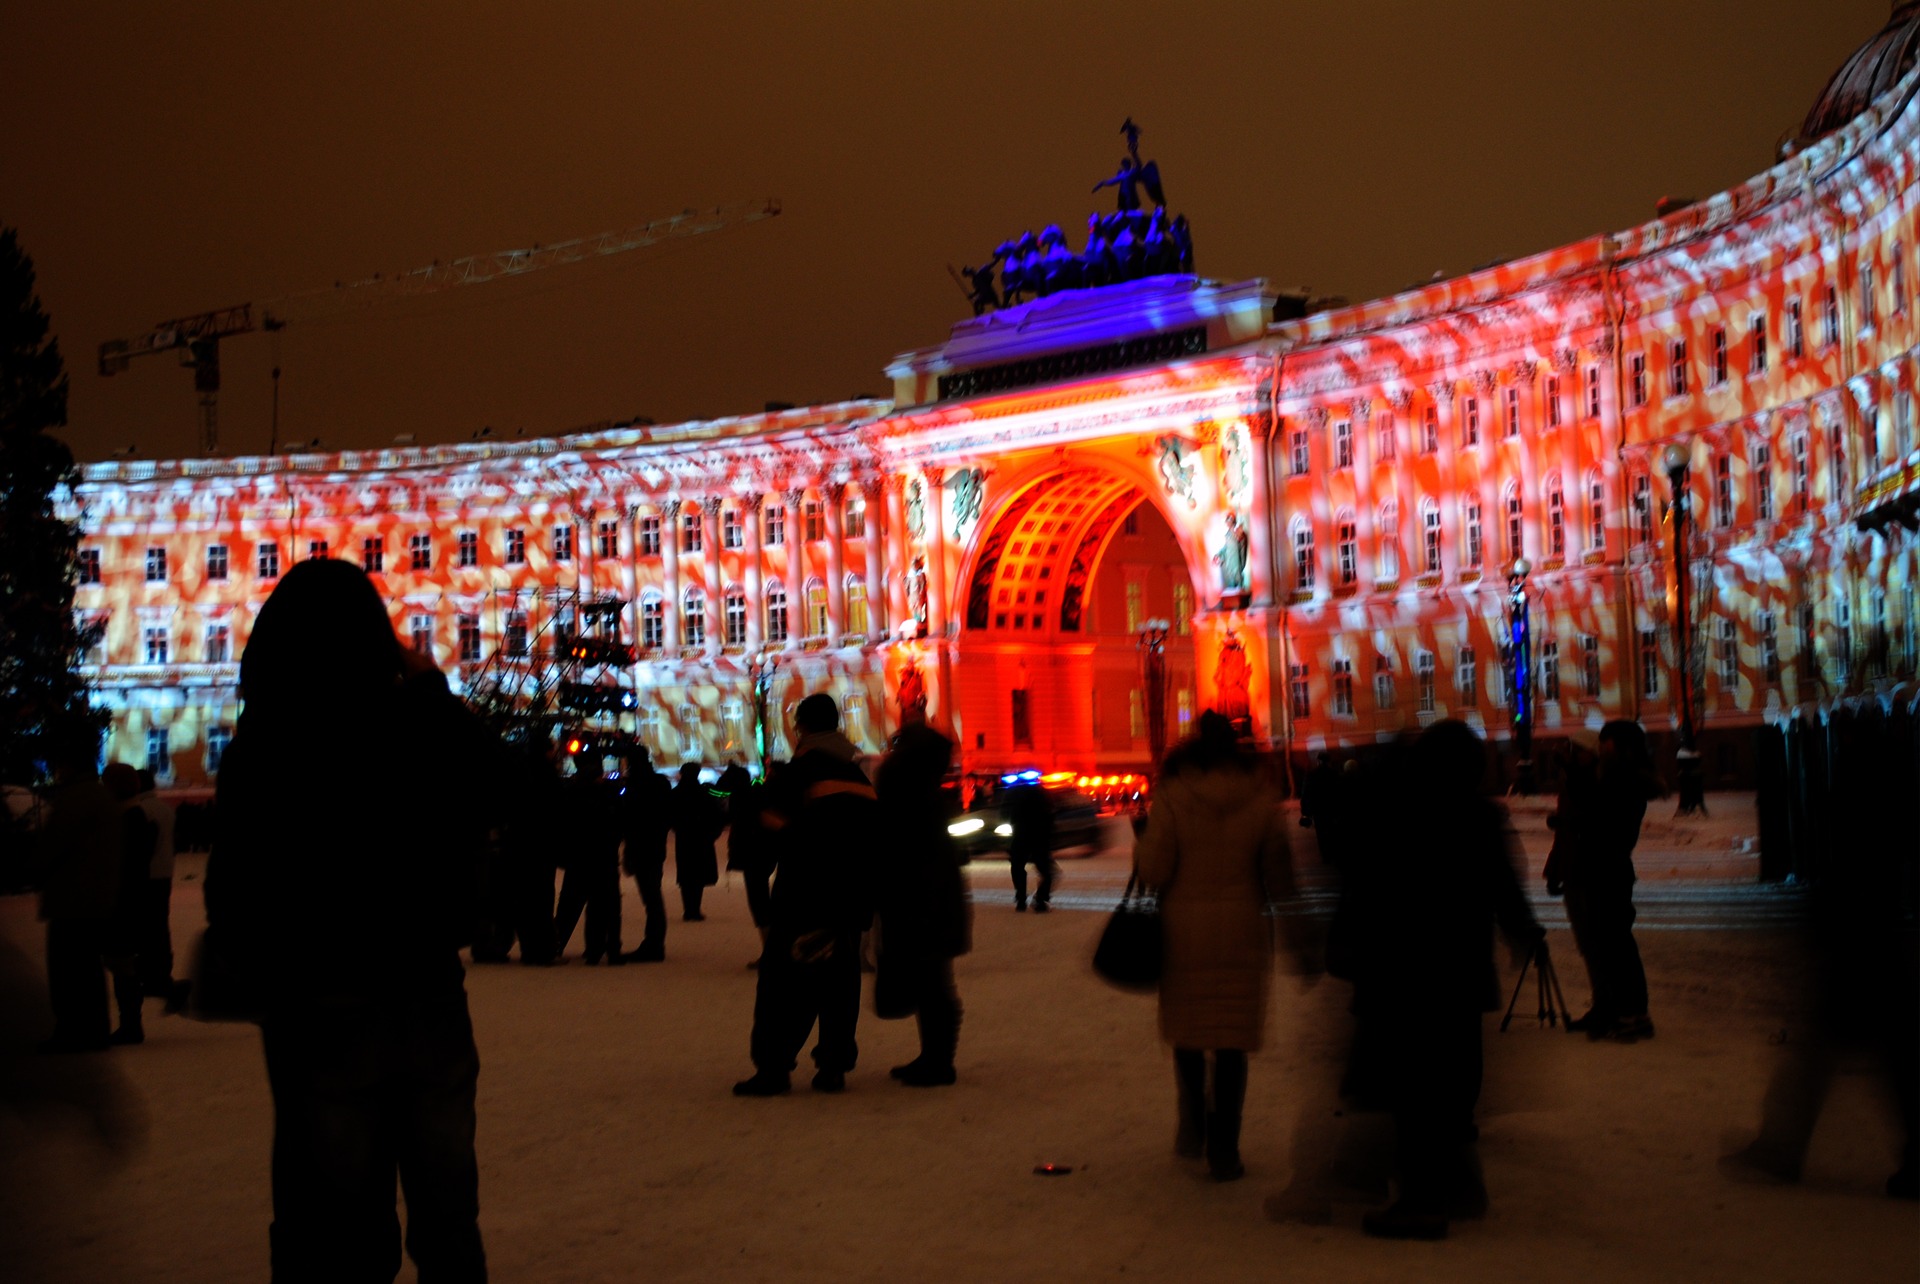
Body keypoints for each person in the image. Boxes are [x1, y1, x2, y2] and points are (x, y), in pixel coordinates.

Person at [205, 557, 494, 1282]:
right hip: (426, 993)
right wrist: (430, 688)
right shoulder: (416, 726)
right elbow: (503, 786)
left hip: (318, 1003)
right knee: (447, 1212)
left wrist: (262, 970)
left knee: (329, 1216)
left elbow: (232, 888)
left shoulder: (264, 743)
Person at [1360, 719, 1542, 1240]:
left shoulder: (1403, 815)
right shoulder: (1480, 817)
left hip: (1411, 977)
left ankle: (1423, 1202)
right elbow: (1505, 889)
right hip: (1462, 976)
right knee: (1455, 1087)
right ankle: (1459, 1187)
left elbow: (1378, 892)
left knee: (1417, 1093)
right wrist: (1523, 932)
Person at [1134, 711, 1305, 1181]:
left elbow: (1153, 868)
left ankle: (1192, 1127)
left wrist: (1142, 840)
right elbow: (1278, 875)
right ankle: (1225, 1149)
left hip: (1183, 933)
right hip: (1242, 933)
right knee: (1231, 1044)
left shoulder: (1174, 795)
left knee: (1190, 1036)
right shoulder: (1259, 796)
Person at [733, 694, 878, 1097]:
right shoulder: (859, 778)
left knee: (782, 986)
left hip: (804, 897)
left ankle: (774, 1067)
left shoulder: (799, 774)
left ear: (803, 728)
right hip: (848, 900)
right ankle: (833, 1067)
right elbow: (873, 843)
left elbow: (774, 828)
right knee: (839, 987)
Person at [1544, 721, 1663, 1041]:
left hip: (1607, 869)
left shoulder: (1623, 780)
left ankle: (1629, 1015)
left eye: (1607, 741)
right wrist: (1571, 772)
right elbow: (1595, 805)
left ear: (1620, 747)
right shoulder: (1618, 778)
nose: (1602, 746)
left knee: (1616, 946)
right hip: (1604, 868)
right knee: (1614, 944)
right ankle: (1631, 1014)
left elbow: (1601, 816)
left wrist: (1574, 820)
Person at [873, 720, 970, 1086]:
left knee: (932, 982)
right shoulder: (930, 791)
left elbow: (890, 845)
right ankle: (935, 1056)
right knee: (934, 980)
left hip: (913, 896)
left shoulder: (901, 786)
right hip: (935, 895)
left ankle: (938, 1061)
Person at [35, 723, 122, 1054]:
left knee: (69, 972)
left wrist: (33, 866)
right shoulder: (100, 796)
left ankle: (73, 1030)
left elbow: (52, 846)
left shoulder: (76, 798)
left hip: (73, 898)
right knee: (87, 971)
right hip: (95, 898)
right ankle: (93, 1029)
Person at [552, 749, 624, 965]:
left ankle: (558, 945)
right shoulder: (608, 798)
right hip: (603, 859)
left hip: (579, 859)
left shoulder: (571, 795)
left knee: (569, 906)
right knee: (606, 907)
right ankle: (606, 949)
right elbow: (617, 825)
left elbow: (564, 828)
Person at [102, 762, 154, 1045]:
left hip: (124, 903)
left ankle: (131, 1024)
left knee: (122, 964)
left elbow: (126, 866)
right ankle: (130, 1022)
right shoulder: (134, 816)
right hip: (130, 901)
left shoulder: (128, 819)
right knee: (122, 964)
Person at [131, 768, 188, 1009]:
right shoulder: (164, 808)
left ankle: (151, 974)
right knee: (159, 925)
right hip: (165, 872)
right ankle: (160, 972)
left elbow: (142, 847)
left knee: (145, 926)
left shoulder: (140, 811)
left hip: (147, 875)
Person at [618, 746, 672, 963]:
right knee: (653, 897)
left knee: (651, 898)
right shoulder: (659, 782)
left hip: (641, 846)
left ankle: (654, 944)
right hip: (655, 846)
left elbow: (629, 818)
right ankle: (654, 942)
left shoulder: (635, 785)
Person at [669, 762, 721, 921]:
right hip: (702, 837)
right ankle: (695, 909)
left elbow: (670, 814)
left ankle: (688, 909)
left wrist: (677, 827)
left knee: (686, 874)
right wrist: (713, 834)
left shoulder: (676, 793)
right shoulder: (704, 792)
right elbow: (716, 815)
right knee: (698, 874)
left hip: (684, 837)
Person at [1003, 780, 1057, 912]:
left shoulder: (1015, 797)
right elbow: (1050, 819)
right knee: (1047, 871)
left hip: (1020, 837)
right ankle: (1040, 899)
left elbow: (1008, 817)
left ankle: (1021, 899)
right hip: (1039, 838)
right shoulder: (1043, 797)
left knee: (1018, 868)